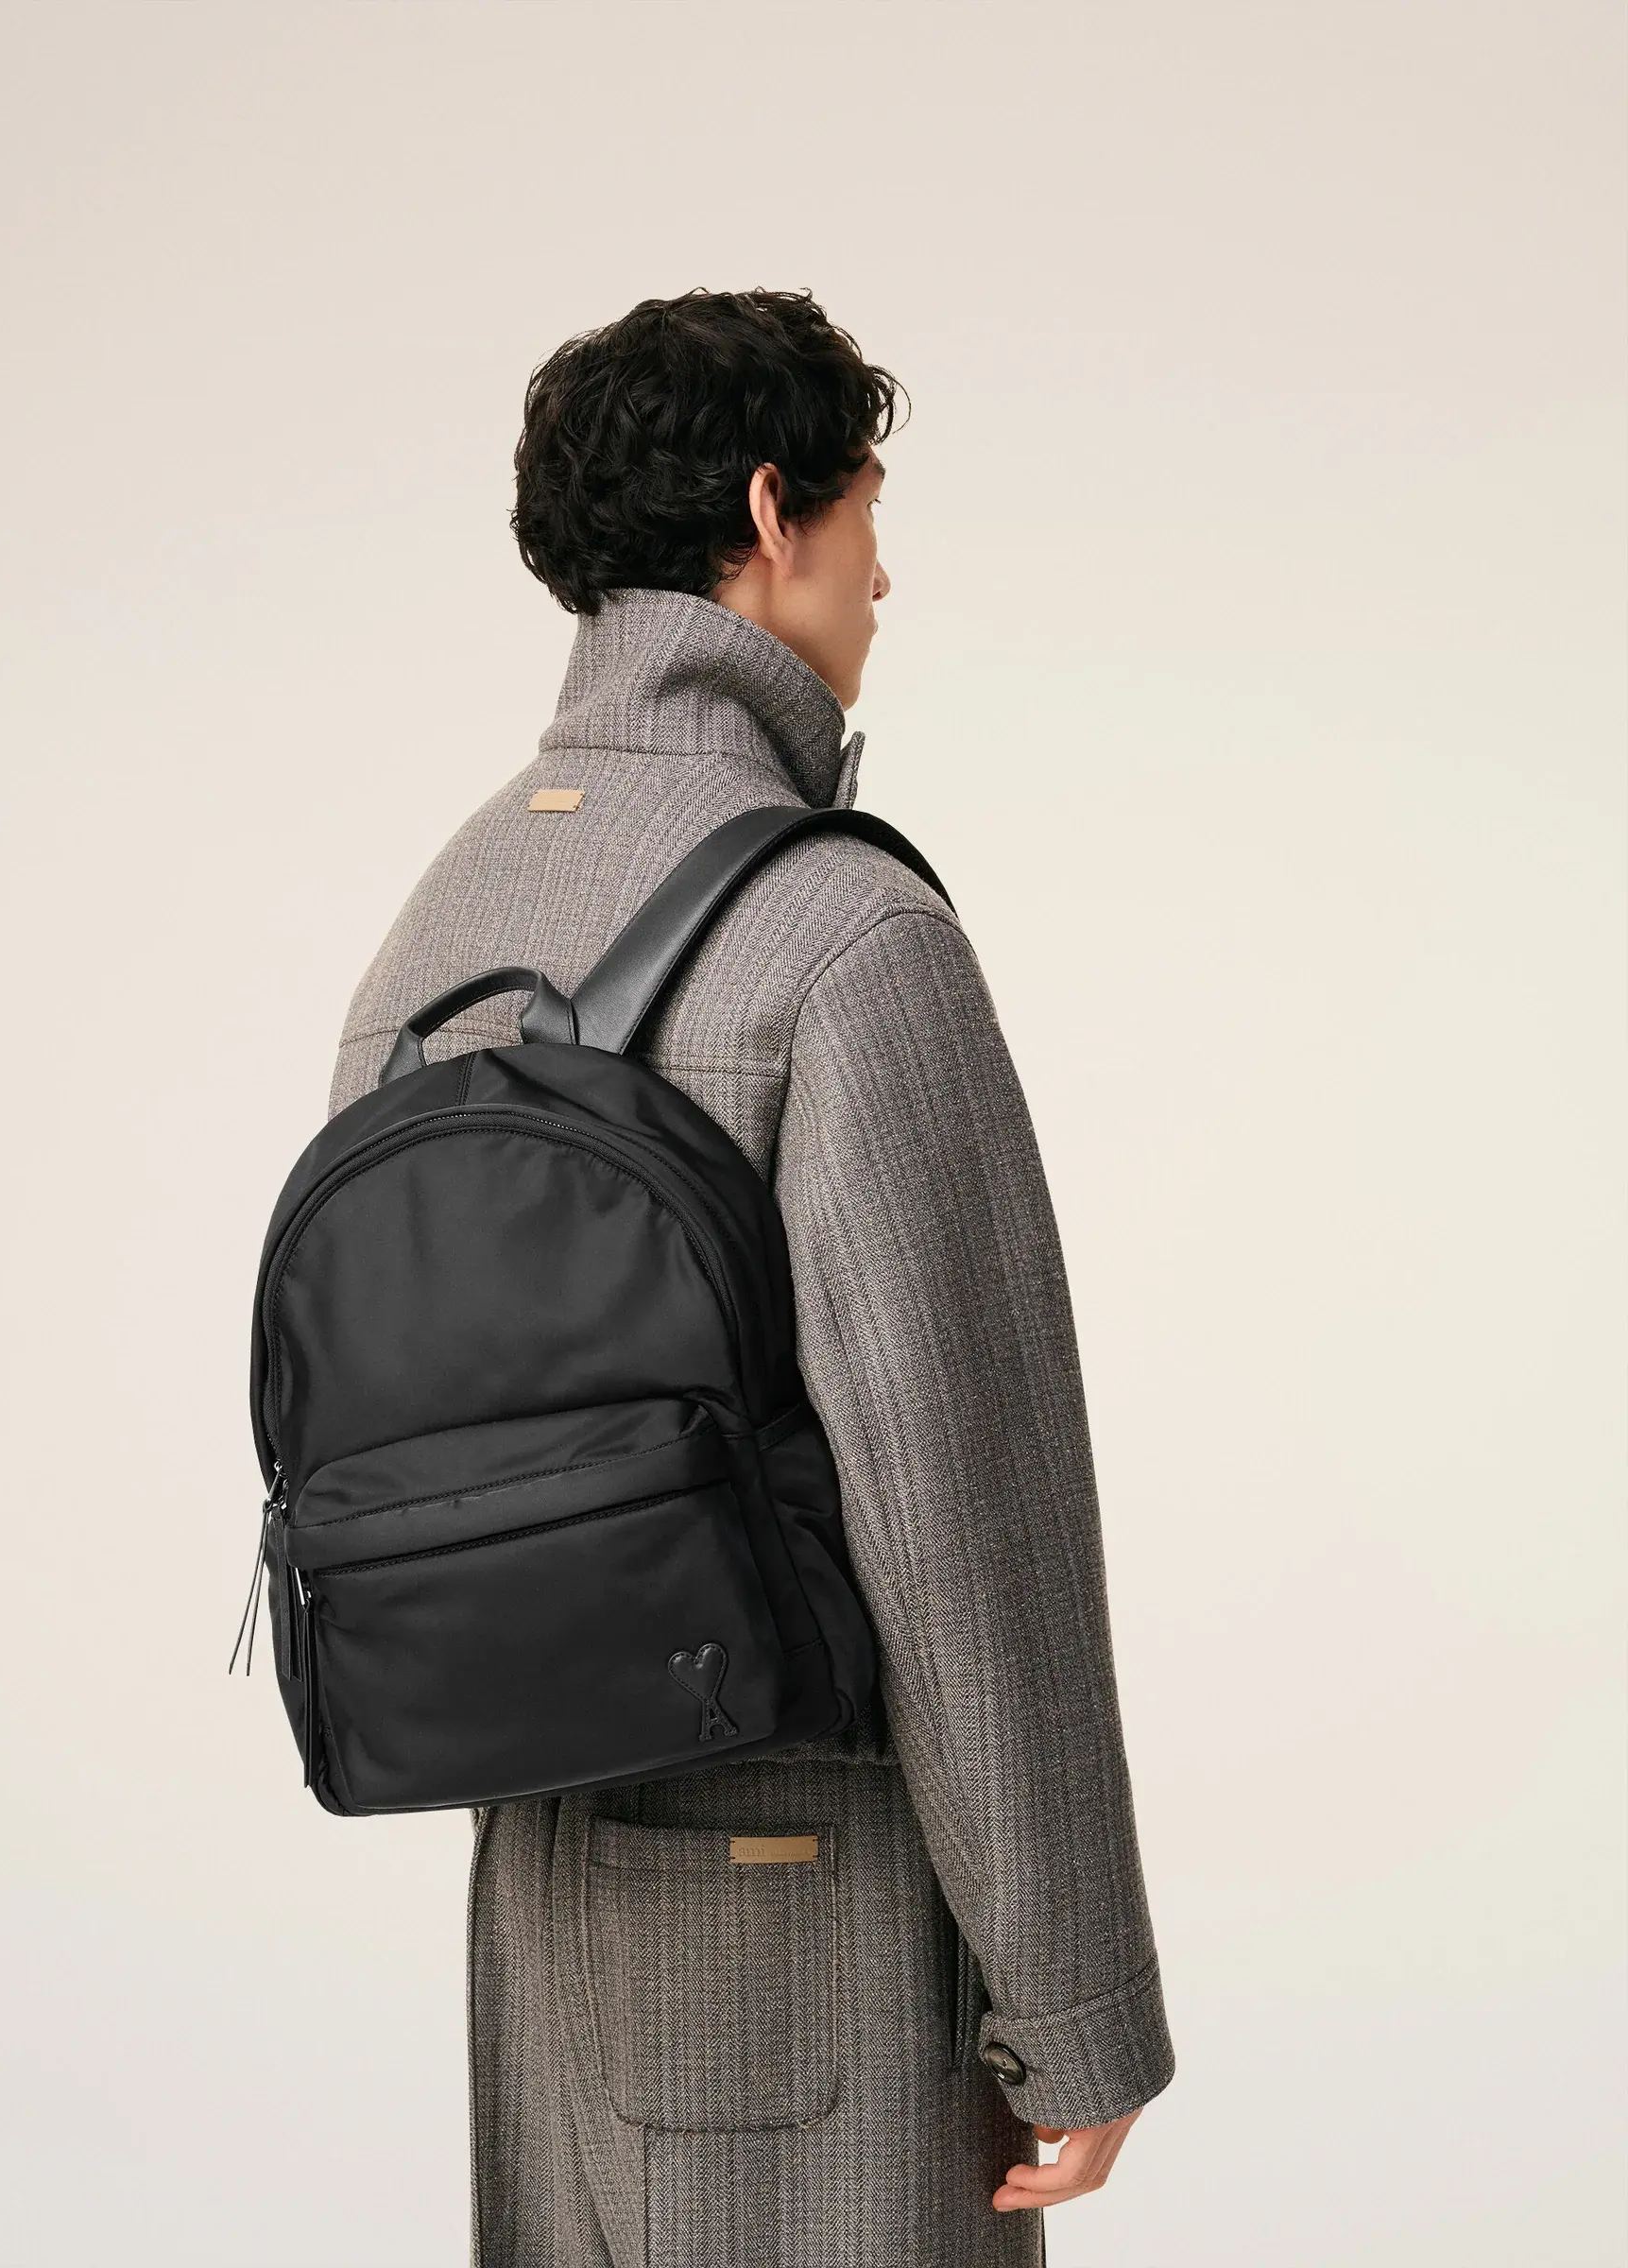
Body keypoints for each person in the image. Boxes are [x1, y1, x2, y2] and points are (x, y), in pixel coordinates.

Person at [326, 287, 1174, 2267]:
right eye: (870, 513)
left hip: (545, 1891)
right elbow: (969, 1520)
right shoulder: (842, 934)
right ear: (776, 515)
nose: (886, 577)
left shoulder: (434, 926)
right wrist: (1078, 2003)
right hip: (827, 1931)